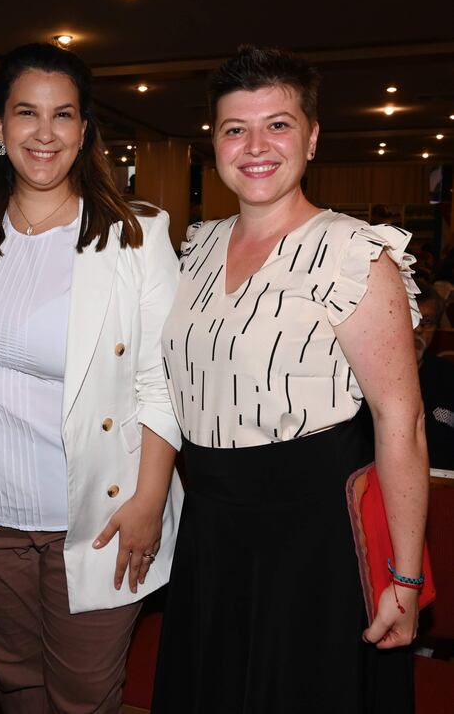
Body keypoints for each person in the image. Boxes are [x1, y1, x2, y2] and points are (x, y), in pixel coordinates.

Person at [153, 45, 428, 713]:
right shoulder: (197, 245)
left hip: (313, 534)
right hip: (211, 520)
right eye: (234, 128)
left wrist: (406, 576)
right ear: (212, 141)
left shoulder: (354, 254)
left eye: (277, 124)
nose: (256, 145)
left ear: (311, 136)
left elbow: (402, 422)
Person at [0, 43, 183, 713]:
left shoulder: (136, 236)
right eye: (26, 113)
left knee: (85, 692)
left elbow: (163, 383)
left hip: (97, 516)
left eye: (62, 115)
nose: (44, 132)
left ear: (84, 130)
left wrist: (150, 501)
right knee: (17, 680)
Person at [415, 282, 454, 470]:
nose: (418, 329)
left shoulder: (449, 378)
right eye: (410, 319)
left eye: (427, 321)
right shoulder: (364, 381)